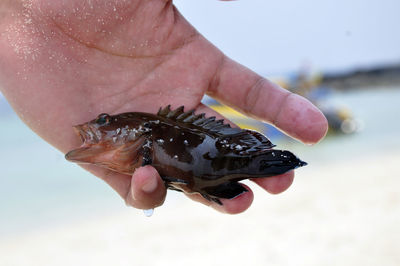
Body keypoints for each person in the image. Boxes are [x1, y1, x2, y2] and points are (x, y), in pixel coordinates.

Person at [0, 0, 328, 214]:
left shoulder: (141, 146)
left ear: (133, 129)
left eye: (104, 122)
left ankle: (261, 160)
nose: (95, 125)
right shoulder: (135, 148)